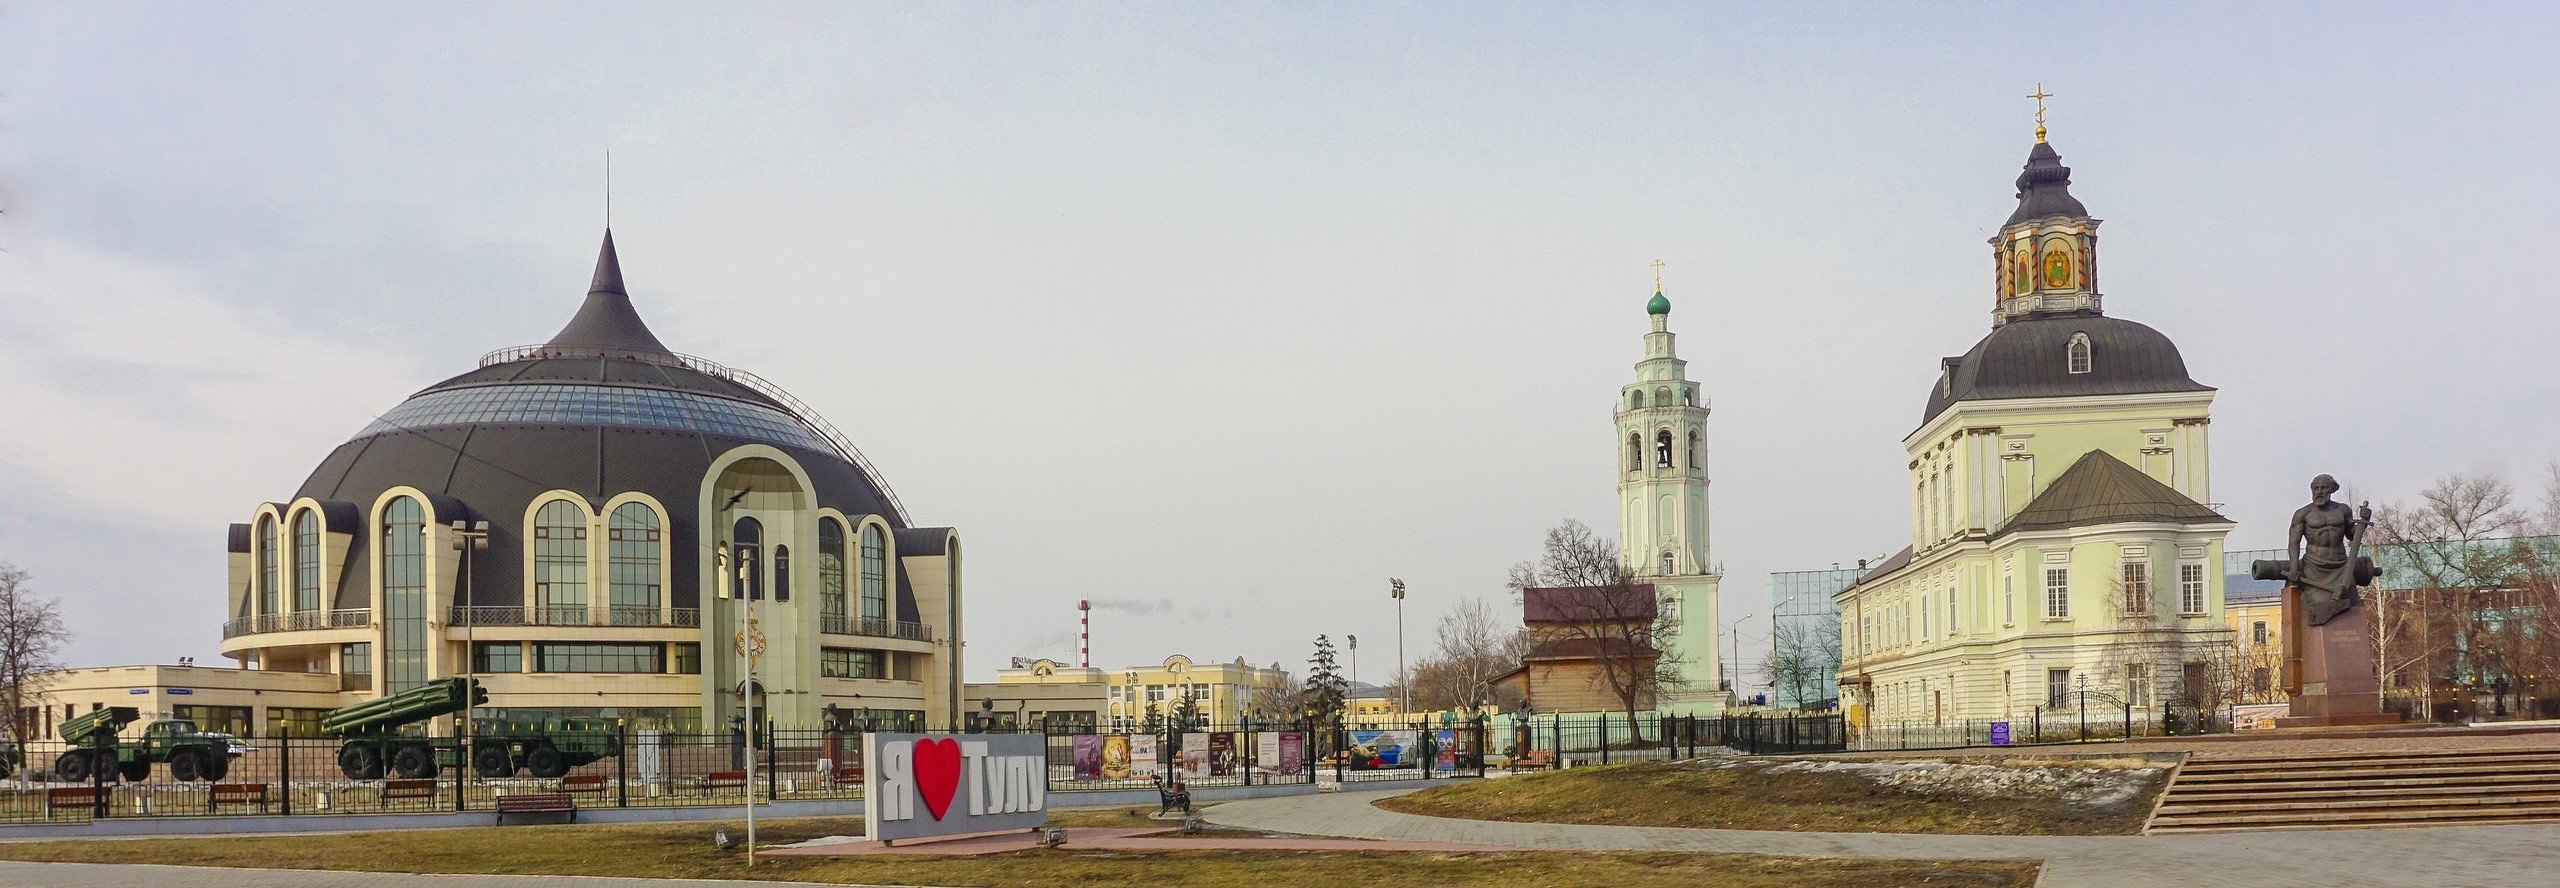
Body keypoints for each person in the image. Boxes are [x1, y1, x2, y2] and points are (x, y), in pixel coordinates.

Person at [2287, 474, 2371, 626]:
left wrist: (2363, 522)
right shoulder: (2303, 513)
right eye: (2315, 488)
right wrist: (2294, 567)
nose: (2319, 492)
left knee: (2352, 604)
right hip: (2314, 567)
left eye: (2323, 488)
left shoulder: (2343, 510)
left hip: (2341, 566)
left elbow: (2352, 535)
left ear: (2332, 489)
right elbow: (2294, 542)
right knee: (2317, 605)